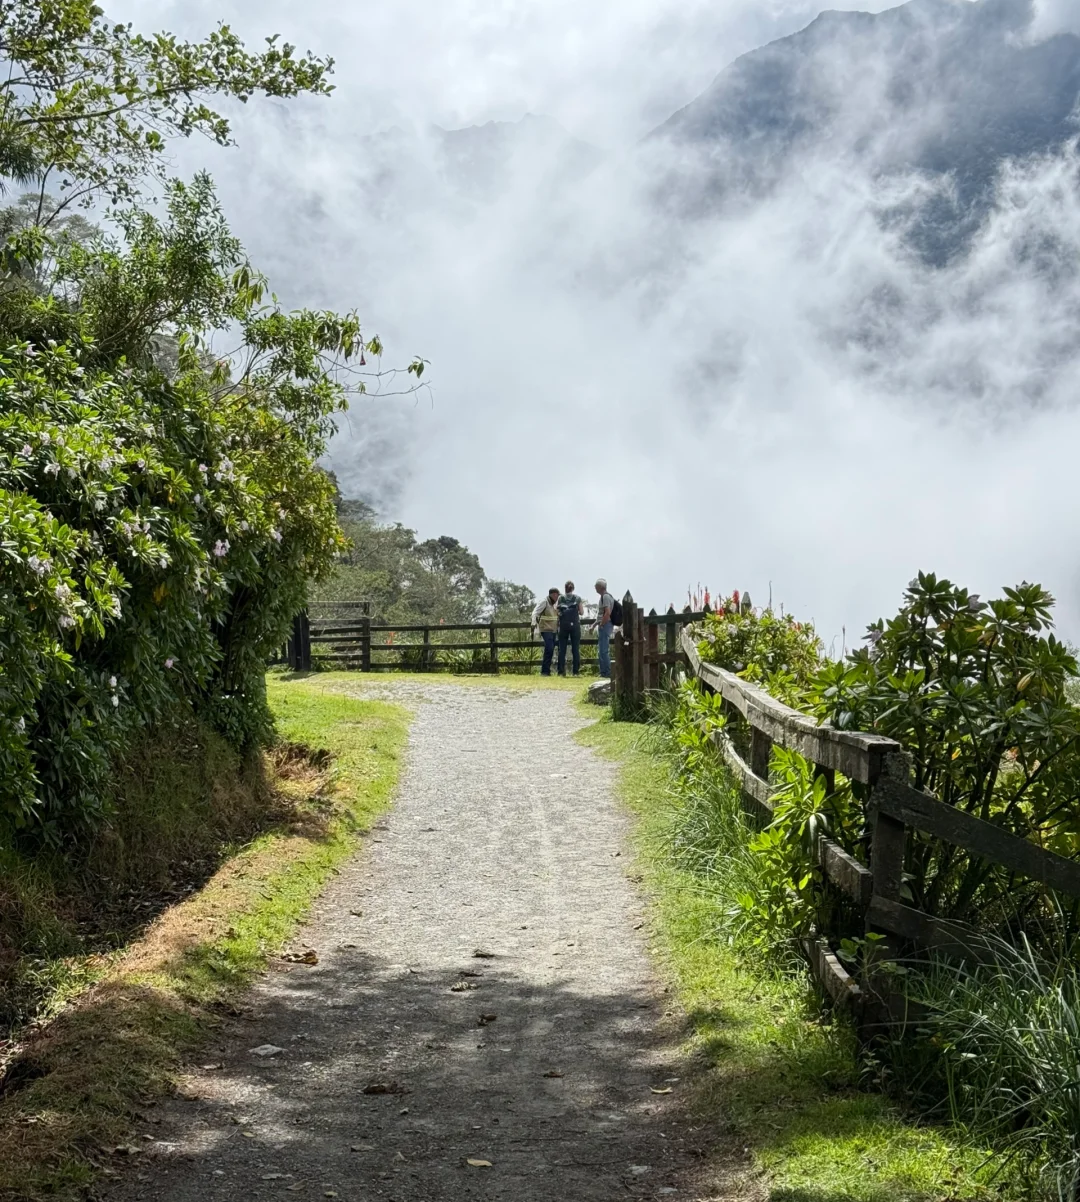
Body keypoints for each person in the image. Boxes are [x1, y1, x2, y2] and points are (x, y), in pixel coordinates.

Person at [556, 579, 584, 677]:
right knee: (575, 649)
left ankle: (561, 672)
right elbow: (581, 612)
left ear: (565, 589)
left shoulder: (561, 598)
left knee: (562, 649)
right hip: (575, 625)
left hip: (563, 626)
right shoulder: (577, 598)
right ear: (573, 588)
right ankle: (575, 672)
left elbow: (557, 611)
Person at [532, 587, 561, 676]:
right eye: (557, 595)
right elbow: (535, 612)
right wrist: (533, 623)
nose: (557, 597)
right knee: (549, 648)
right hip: (545, 629)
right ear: (553, 594)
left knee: (550, 650)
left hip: (553, 630)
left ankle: (546, 671)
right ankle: (544, 671)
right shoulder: (544, 602)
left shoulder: (554, 604)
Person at [594, 577, 615, 678]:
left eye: (596, 586)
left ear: (600, 587)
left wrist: (601, 624)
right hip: (605, 624)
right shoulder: (606, 596)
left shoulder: (605, 597)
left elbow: (607, 613)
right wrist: (595, 624)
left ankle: (606, 672)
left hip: (605, 625)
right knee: (602, 649)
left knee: (603, 650)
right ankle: (604, 672)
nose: (595, 588)